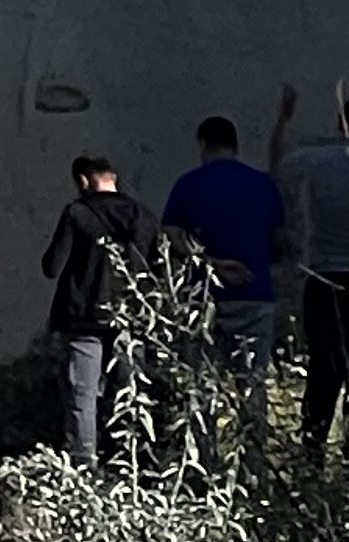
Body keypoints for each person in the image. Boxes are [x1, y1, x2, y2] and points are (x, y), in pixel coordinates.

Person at [40, 151, 157, 467]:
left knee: (83, 396)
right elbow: (157, 267)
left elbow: (52, 266)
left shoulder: (77, 212)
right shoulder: (142, 216)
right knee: (131, 393)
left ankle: (85, 465)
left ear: (83, 181)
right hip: (130, 320)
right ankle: (133, 464)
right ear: (114, 178)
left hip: (84, 317)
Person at [164, 114, 285, 405]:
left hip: (205, 298)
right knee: (252, 383)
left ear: (203, 144)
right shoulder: (263, 184)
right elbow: (280, 241)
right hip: (256, 295)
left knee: (202, 384)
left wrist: (211, 263)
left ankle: (206, 449)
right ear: (236, 145)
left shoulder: (188, 185)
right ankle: (253, 447)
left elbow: (170, 237)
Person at [279, 80, 349, 456]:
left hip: (325, 278)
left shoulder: (318, 160)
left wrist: (283, 120)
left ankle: (312, 448)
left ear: (340, 123)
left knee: (324, 368)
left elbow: (279, 164)